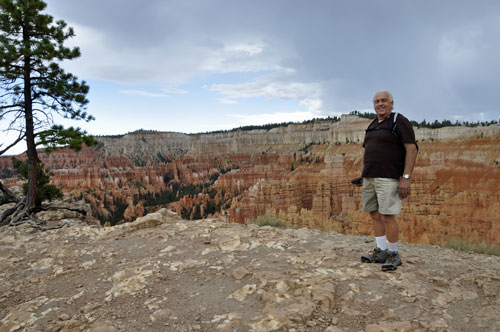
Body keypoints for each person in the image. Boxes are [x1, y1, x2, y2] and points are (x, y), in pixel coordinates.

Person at [358, 90, 418, 271]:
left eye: (384, 101)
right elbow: (370, 151)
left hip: (388, 177)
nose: (380, 104)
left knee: (388, 216)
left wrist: (406, 178)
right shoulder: (373, 124)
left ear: (392, 103)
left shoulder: (399, 120)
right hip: (370, 177)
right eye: (377, 101)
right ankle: (380, 251)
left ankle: (393, 254)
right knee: (374, 214)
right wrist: (363, 174)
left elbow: (412, 149)